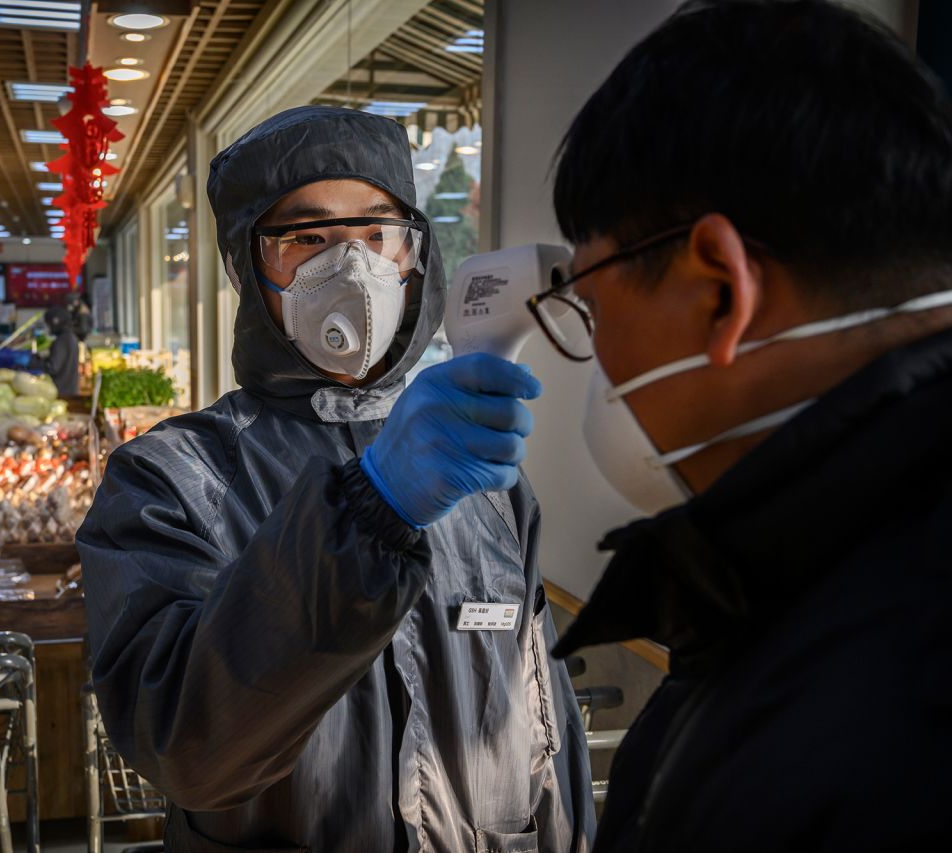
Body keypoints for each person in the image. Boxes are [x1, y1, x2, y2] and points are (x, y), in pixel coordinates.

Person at [79, 106, 593, 851]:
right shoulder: (169, 480)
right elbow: (186, 746)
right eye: (307, 238)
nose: (353, 268)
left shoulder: (488, 482)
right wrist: (367, 509)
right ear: (242, 267)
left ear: (415, 253)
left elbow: (549, 727)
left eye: (378, 234)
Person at [544, 2, 952, 850]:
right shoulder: (804, 574)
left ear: (720, 288)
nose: (601, 359)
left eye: (589, 307)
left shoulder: (882, 687)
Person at [42, 304, 79, 397]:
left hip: (61, 391)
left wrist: (32, 362)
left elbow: (53, 367)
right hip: (70, 389)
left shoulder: (62, 340)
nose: (48, 328)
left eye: (49, 324)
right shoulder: (71, 337)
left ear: (55, 322)